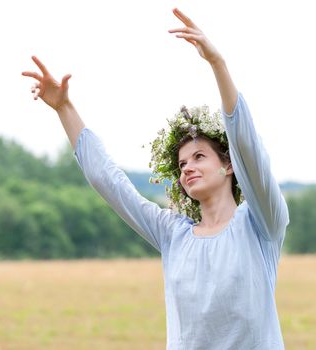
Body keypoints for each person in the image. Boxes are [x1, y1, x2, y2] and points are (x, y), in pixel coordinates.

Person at [22, 8, 289, 350]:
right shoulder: (173, 234)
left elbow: (249, 148)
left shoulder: (261, 224)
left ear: (229, 165)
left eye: (199, 157)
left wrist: (217, 64)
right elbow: (111, 183)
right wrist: (64, 108)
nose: (187, 168)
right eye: (181, 165)